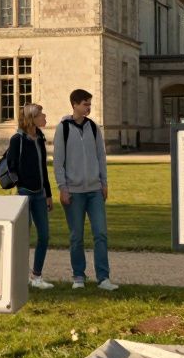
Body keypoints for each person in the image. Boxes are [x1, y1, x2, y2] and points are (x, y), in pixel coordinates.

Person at [53, 90, 116, 291]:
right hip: (73, 192)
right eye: (85, 104)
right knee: (76, 236)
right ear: (74, 104)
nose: (88, 107)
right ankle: (78, 276)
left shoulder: (94, 128)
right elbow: (58, 162)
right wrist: (63, 187)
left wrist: (104, 183)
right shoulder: (63, 129)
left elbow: (101, 157)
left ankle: (103, 278)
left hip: (95, 190)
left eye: (89, 104)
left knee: (101, 233)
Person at [6, 104, 55, 290]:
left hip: (40, 195)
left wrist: (48, 194)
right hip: (24, 195)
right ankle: (18, 276)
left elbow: (43, 169)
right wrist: (21, 185)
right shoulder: (17, 140)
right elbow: (11, 167)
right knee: (22, 237)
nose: (45, 117)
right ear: (32, 118)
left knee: (44, 235)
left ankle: (36, 276)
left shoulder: (40, 138)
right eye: (41, 114)